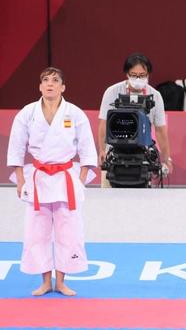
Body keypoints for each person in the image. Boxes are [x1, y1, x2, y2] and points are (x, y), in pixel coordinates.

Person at [6, 67, 98, 297]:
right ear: (40, 87)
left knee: (69, 230)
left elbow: (87, 146)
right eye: (45, 80)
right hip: (37, 177)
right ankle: (45, 281)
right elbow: (17, 147)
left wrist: (82, 177)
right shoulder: (27, 113)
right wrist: (19, 179)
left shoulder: (75, 113)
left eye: (55, 80)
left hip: (66, 177)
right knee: (37, 231)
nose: (50, 84)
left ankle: (62, 281)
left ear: (63, 87)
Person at [97, 53, 173, 185]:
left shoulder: (155, 95)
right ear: (126, 73)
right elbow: (104, 124)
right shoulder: (112, 92)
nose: (138, 78)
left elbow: (160, 130)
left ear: (148, 74)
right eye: (133, 75)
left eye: (142, 75)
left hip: (143, 156)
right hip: (114, 156)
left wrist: (166, 159)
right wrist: (102, 151)